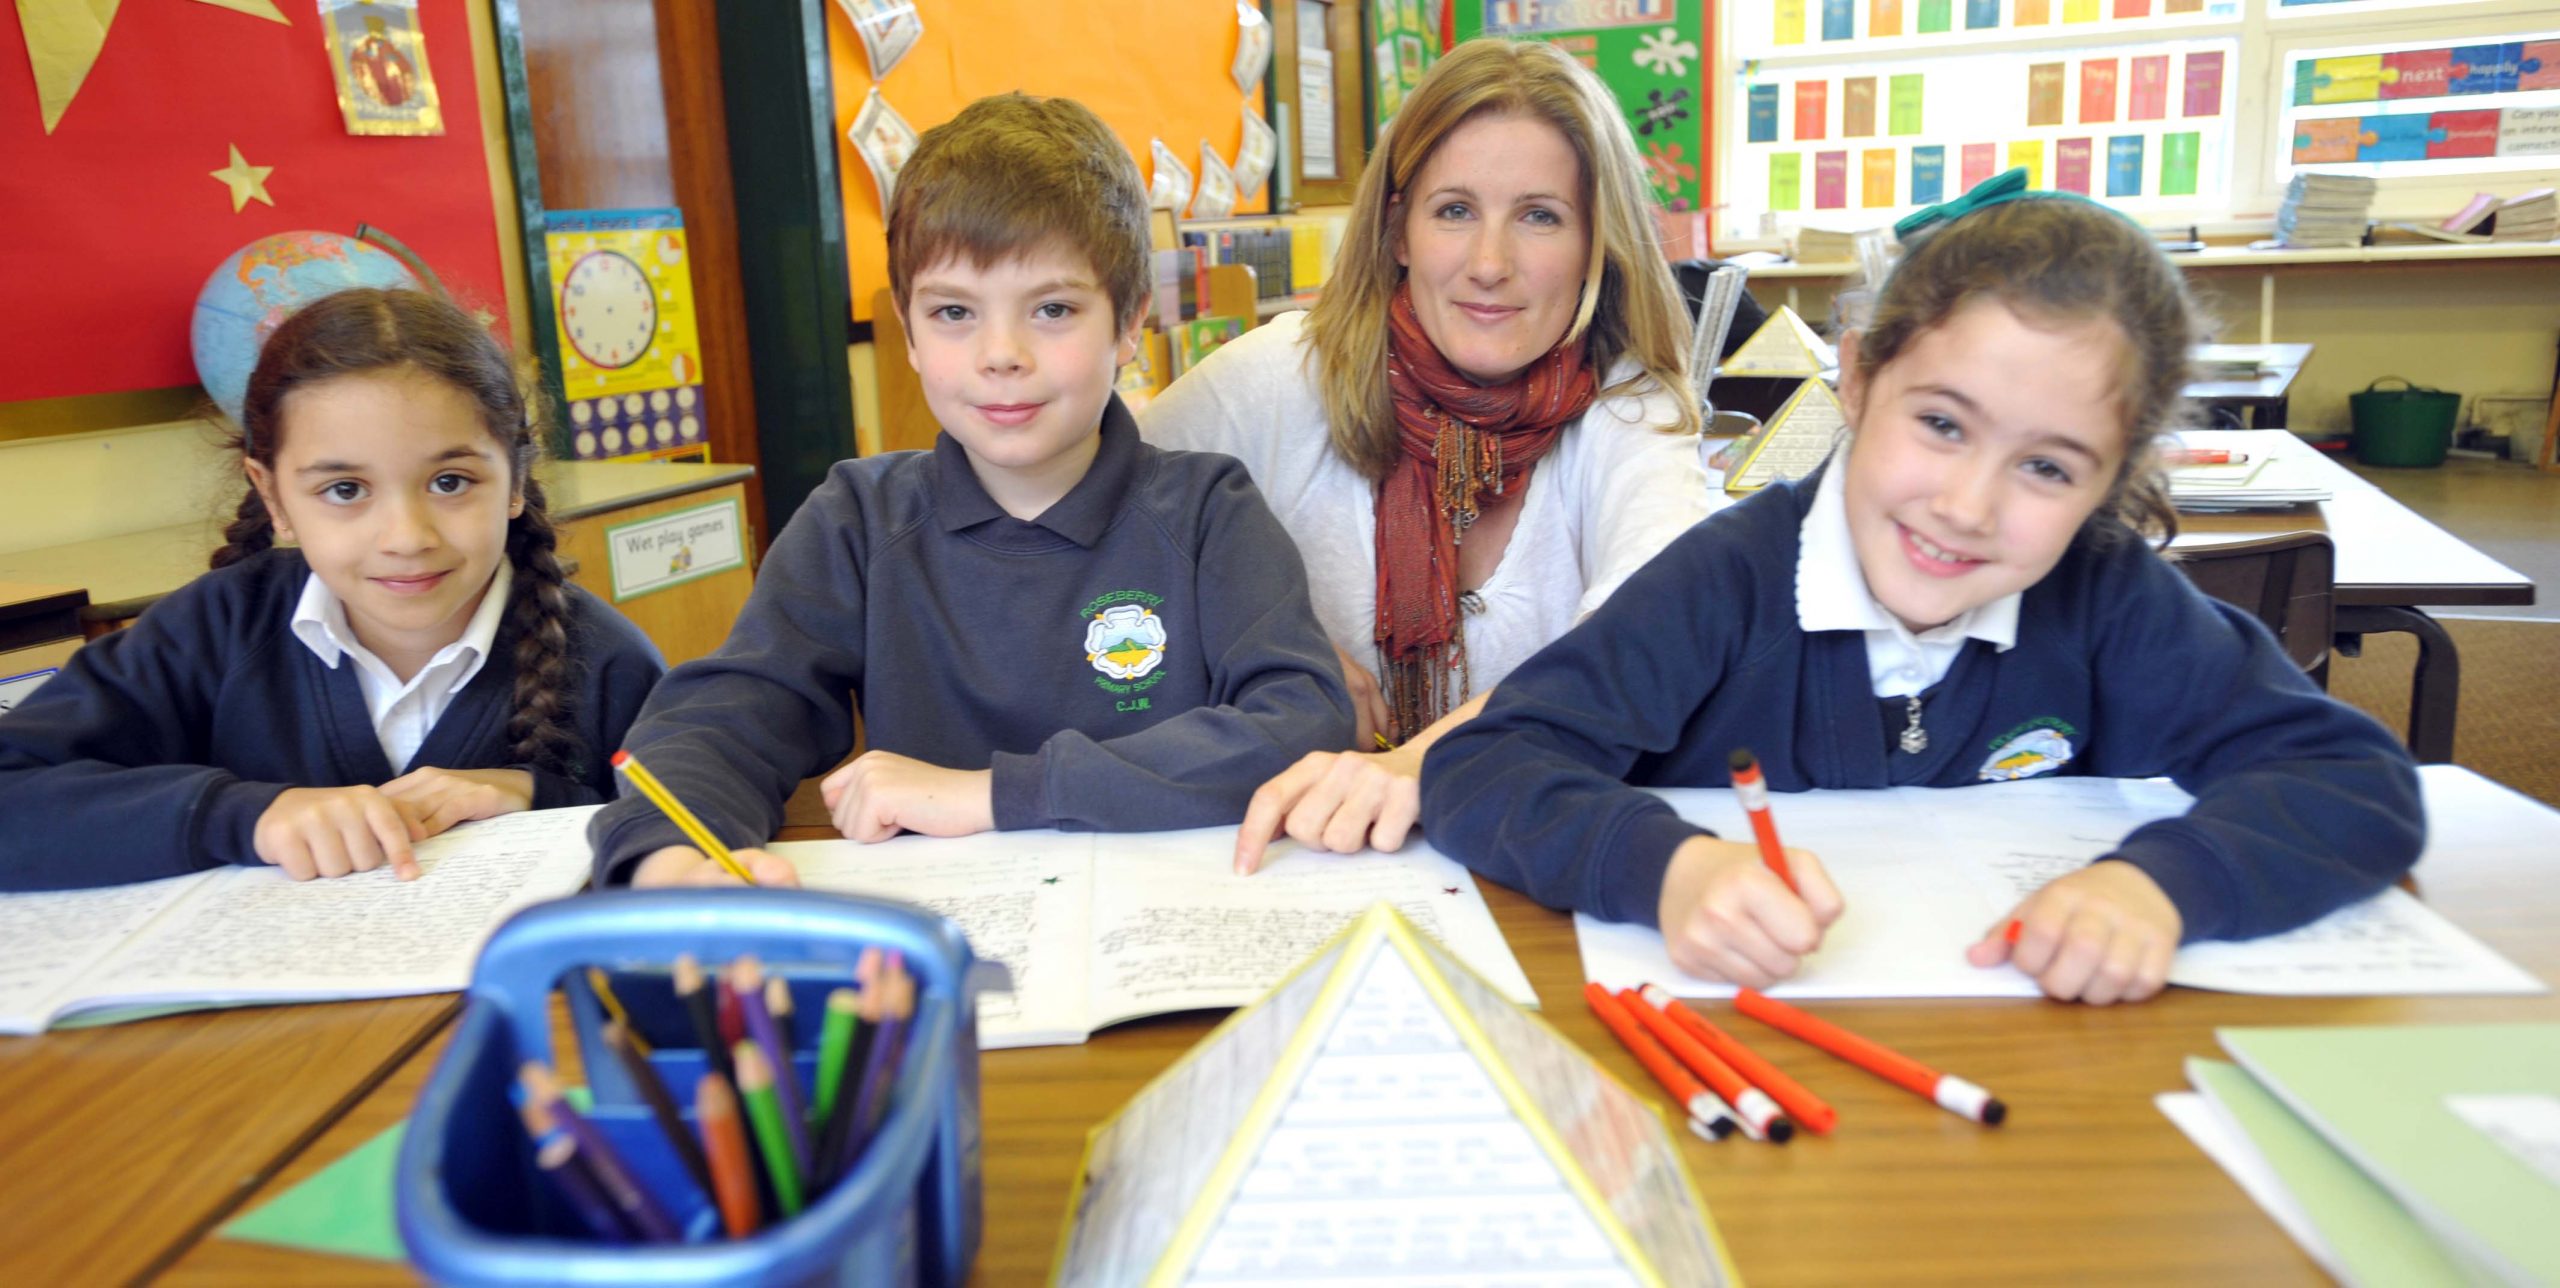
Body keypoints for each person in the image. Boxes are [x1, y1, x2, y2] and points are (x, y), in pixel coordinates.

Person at [1419, 172, 2424, 1006]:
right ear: (1855, 379)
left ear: (2112, 480)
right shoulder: (1723, 582)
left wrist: (2163, 887)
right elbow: (1485, 764)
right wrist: (1671, 868)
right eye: (1941, 424)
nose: (1967, 505)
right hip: (1743, 1042)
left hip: (2038, 1065)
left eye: (2049, 468)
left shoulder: (2107, 595)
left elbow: (2350, 779)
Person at [591, 93, 1351, 889]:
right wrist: (671, 862)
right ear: (909, 333)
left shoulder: (1208, 513)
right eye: (954, 311)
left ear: (1129, 323)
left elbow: (1301, 721)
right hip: (939, 940)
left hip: (1171, 916)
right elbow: (725, 719)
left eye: (1052, 309)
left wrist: (997, 794)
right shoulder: (857, 522)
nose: (1001, 354)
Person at [1141, 38, 1715, 873]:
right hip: (1286, 860)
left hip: (1516, 862)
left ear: (1599, 241)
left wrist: (1419, 762)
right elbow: (1096, 520)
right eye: (1454, 211)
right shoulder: (1279, 376)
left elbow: (1652, 637)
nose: (1490, 264)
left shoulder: (1630, 406)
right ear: (1399, 229)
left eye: (1539, 216)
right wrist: (1266, 639)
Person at [0, 288, 665, 891]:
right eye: (345, 491)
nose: (406, 536)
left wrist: (538, 797)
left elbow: (682, 842)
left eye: (451, 482)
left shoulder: (609, 664)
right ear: (273, 495)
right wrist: (244, 816)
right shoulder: (211, 631)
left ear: (516, 479)